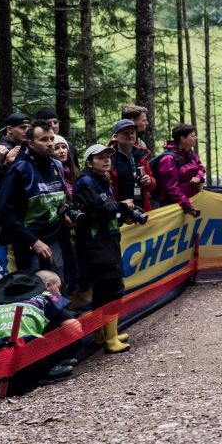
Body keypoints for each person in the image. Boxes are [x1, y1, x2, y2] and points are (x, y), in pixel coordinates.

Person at [73, 143, 144, 353]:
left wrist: (123, 216)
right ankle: (111, 339)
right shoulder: (86, 182)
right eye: (100, 157)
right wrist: (123, 206)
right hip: (97, 244)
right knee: (113, 288)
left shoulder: (100, 179)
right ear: (89, 162)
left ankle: (102, 334)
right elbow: (102, 210)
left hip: (105, 240)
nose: (106, 160)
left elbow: (103, 213)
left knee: (102, 290)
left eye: (108, 156)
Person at [0, 120, 75, 289]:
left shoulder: (57, 165)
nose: (50, 144)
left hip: (56, 238)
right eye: (44, 139)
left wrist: (65, 215)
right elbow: (4, 213)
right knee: (35, 290)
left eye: (51, 138)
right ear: (30, 143)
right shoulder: (19, 169)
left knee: (57, 287)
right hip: (29, 243)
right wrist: (33, 241)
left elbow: (58, 200)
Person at [0, 270, 80, 382]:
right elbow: (75, 330)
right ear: (46, 286)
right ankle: (48, 369)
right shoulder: (47, 296)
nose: (59, 292)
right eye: (58, 287)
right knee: (70, 328)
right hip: (29, 362)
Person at [153, 124, 206, 214]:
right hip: (174, 206)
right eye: (192, 136)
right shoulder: (168, 159)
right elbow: (171, 187)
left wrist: (198, 177)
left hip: (189, 204)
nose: (196, 138)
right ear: (182, 138)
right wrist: (187, 206)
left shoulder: (190, 153)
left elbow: (200, 168)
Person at [109, 119, 156, 212]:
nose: (130, 135)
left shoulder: (141, 154)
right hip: (120, 209)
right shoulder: (109, 157)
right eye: (125, 133)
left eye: (132, 132)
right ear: (115, 137)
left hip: (141, 207)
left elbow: (152, 184)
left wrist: (149, 181)